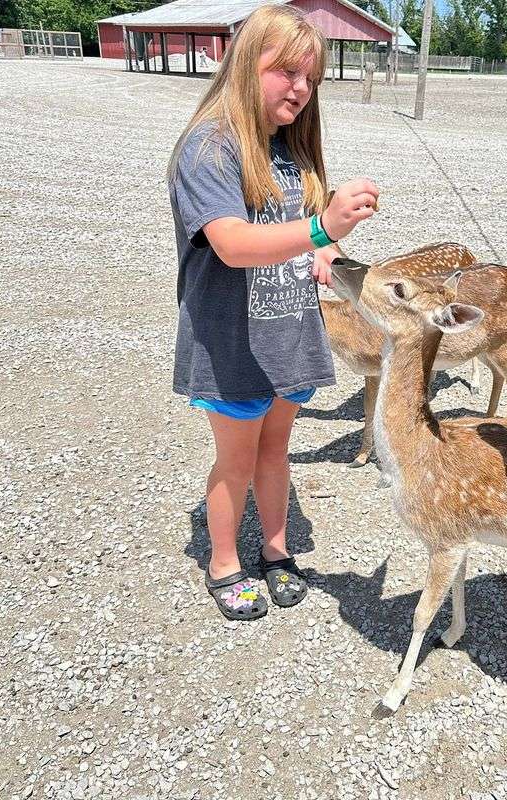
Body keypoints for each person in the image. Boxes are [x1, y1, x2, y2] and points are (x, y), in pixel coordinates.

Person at [167, 5, 379, 621]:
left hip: (289, 332)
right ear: (243, 64)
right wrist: (319, 227)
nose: (300, 88)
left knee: (276, 448)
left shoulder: (289, 149)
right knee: (235, 460)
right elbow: (231, 242)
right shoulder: (209, 147)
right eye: (286, 71)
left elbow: (302, 229)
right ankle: (225, 561)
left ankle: (277, 549)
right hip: (232, 341)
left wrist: (328, 246)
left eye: (309, 78)